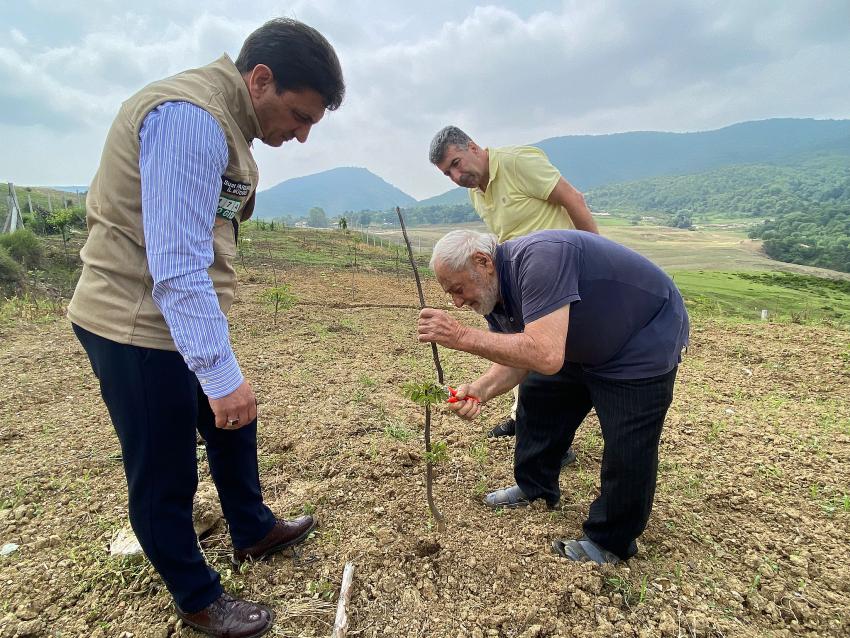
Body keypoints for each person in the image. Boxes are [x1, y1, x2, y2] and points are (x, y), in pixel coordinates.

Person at [67, 18, 344, 637]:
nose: (299, 136)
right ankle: (197, 598)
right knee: (165, 471)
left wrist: (221, 376)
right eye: (299, 117)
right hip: (135, 323)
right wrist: (220, 374)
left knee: (235, 424)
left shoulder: (228, 124)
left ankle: (250, 529)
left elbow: (209, 229)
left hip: (178, 318)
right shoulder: (190, 119)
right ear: (261, 79)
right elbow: (176, 270)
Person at [417, 229, 688, 564]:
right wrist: (481, 389)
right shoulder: (491, 294)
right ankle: (535, 488)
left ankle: (610, 541)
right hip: (576, 344)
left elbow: (544, 354)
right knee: (540, 399)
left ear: (483, 262)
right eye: (451, 295)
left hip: (639, 340)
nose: (457, 302)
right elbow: (520, 358)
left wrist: (459, 336)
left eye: (458, 289)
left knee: (627, 443)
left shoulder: (540, 260)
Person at [428, 125, 598, 459]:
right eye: (448, 172)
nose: (455, 175)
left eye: (456, 163)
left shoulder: (518, 163)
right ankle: (528, 423)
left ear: (474, 147)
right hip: (524, 285)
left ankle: (546, 431)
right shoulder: (476, 192)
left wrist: (595, 256)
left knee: (553, 357)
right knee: (524, 353)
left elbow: (572, 199)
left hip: (560, 275)